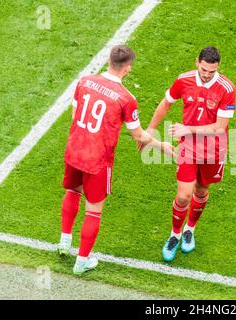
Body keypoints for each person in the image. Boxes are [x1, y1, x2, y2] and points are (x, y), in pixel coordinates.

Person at [57, 44, 174, 274]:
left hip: (74, 149)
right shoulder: (126, 98)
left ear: (109, 61)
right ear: (128, 68)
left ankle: (64, 242)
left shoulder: (84, 81)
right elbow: (138, 134)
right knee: (93, 210)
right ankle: (82, 262)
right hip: (97, 159)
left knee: (72, 192)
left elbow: (75, 114)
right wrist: (164, 147)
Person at [144, 46, 236, 262]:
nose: (206, 75)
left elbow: (220, 127)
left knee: (202, 191)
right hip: (189, 147)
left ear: (217, 68)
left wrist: (188, 129)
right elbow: (166, 103)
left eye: (211, 72)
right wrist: (150, 130)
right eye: (204, 70)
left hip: (214, 148)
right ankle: (175, 234)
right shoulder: (184, 80)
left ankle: (190, 229)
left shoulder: (227, 88)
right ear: (197, 62)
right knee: (184, 194)